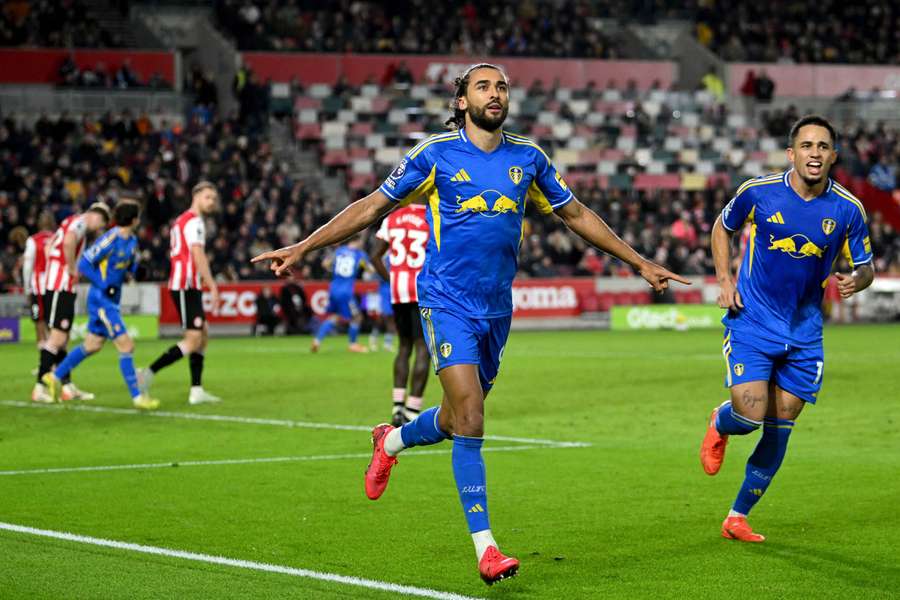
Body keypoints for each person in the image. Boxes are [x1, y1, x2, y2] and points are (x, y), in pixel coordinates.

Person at [252, 63, 688, 585]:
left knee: (457, 418)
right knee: (474, 418)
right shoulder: (435, 155)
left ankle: (389, 442)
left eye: (501, 85)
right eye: (483, 86)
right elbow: (372, 208)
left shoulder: (529, 159)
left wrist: (637, 261)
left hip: (496, 308)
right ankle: (487, 549)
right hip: (445, 301)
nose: (495, 93)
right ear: (462, 101)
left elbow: (576, 215)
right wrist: (305, 245)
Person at [700, 115, 874, 543]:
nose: (815, 153)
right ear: (791, 153)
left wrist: (858, 279)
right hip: (753, 321)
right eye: (807, 145)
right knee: (749, 416)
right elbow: (722, 229)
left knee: (781, 425)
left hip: (805, 332)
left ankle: (737, 516)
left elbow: (867, 265)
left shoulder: (848, 209)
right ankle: (721, 423)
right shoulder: (757, 193)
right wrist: (724, 280)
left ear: (833, 156)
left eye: (823, 147)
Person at [43, 200, 160, 410]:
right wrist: (104, 284)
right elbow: (84, 263)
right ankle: (137, 397)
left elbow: (130, 266)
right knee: (127, 345)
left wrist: (138, 271)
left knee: (92, 345)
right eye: (138, 217)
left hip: (111, 299)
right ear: (133, 220)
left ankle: (54, 376)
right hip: (101, 300)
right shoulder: (111, 238)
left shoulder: (132, 241)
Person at [139, 181, 221, 405]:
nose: (211, 202)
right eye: (207, 197)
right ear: (195, 196)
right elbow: (197, 254)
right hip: (185, 285)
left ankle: (196, 390)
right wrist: (211, 284)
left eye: (213, 198)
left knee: (203, 334)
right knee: (194, 339)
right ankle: (147, 373)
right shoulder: (194, 221)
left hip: (187, 284)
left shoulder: (182, 220)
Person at [32, 202, 110, 404]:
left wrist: (56, 265)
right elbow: (68, 242)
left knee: (62, 339)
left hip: (58, 284)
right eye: (101, 222)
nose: (99, 227)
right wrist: (72, 268)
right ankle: (39, 386)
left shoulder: (69, 221)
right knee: (57, 339)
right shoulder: (81, 223)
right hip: (60, 285)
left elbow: (51, 248)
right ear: (94, 215)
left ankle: (67, 387)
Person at [369, 204, 431, 426]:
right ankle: (413, 410)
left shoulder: (392, 218)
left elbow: (375, 255)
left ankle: (397, 407)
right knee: (423, 347)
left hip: (399, 290)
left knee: (404, 347)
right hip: (422, 290)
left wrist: (391, 280)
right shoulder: (430, 215)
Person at [310, 237, 370, 353]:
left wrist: (335, 271)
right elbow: (370, 269)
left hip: (333, 288)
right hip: (346, 291)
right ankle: (353, 344)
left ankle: (317, 341)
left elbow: (325, 264)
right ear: (357, 241)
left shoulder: (339, 251)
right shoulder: (359, 254)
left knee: (335, 317)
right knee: (357, 317)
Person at [22, 211, 56, 367]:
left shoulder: (33, 241)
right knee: (53, 324)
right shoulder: (58, 239)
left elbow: (27, 267)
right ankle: (55, 362)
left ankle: (43, 364)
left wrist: (26, 288)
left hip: (38, 288)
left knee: (39, 322)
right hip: (55, 286)